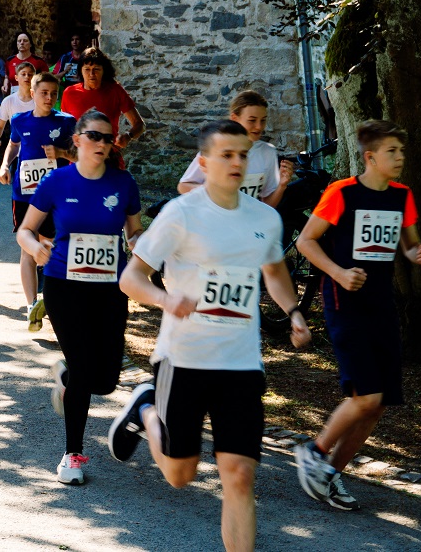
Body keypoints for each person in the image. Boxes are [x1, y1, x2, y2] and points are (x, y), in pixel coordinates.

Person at [106, 120, 311, 552]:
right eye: (226, 154)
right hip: (184, 358)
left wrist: (292, 311)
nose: (237, 162)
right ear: (203, 162)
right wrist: (165, 299)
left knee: (238, 475)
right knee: (180, 475)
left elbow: (273, 272)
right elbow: (132, 277)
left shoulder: (265, 219)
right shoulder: (181, 214)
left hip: (239, 364)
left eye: (242, 154)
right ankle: (145, 408)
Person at [292, 120, 421, 512]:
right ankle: (314, 452)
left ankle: (330, 474)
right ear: (370, 157)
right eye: (392, 151)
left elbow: (408, 246)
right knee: (365, 395)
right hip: (344, 302)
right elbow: (306, 241)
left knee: (380, 402)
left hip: (381, 304)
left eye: (402, 151)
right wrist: (338, 272)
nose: (400, 158)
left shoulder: (402, 196)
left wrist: (418, 254)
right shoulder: (341, 193)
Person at [16, 109, 144, 485]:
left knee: (105, 381)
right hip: (64, 286)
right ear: (77, 138)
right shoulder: (57, 181)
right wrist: (35, 247)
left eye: (109, 137)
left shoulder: (124, 183)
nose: (103, 143)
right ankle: (72, 455)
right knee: (88, 371)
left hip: (109, 288)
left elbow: (133, 233)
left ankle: (67, 377)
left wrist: (143, 245)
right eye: (95, 136)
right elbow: (26, 229)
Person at [0, 71, 75, 330]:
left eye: (54, 93)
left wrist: (62, 152)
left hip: (57, 195)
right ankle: (32, 305)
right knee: (27, 247)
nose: (49, 97)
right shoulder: (19, 120)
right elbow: (13, 145)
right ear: (32, 94)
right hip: (24, 193)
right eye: (44, 93)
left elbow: (80, 155)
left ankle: (54, 299)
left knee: (52, 245)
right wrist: (5, 165)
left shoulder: (67, 121)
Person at [177, 90, 294, 207]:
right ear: (234, 118)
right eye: (252, 120)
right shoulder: (218, 147)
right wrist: (216, 191)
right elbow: (183, 186)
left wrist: (281, 186)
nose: (259, 126)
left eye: (263, 120)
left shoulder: (268, 152)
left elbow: (267, 205)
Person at [60, 47, 146, 156]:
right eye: (87, 69)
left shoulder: (115, 90)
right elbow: (65, 128)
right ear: (80, 70)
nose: (91, 74)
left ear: (103, 70)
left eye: (96, 69)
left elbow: (139, 124)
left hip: (109, 157)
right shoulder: (69, 93)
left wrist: (128, 136)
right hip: (80, 160)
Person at [0, 61, 38, 151]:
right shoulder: (8, 101)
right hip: (16, 150)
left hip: (37, 148)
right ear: (16, 77)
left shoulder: (40, 100)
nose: (27, 77)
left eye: (30, 74)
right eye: (23, 74)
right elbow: (0, 126)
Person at [2, 31, 48, 96]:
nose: (22, 43)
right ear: (16, 44)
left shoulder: (38, 61)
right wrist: (5, 86)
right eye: (19, 41)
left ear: (30, 44)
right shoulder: (10, 61)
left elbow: (46, 80)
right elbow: (6, 77)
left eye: (25, 41)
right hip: (14, 97)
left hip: (33, 97)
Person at [52, 33, 84, 106]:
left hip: (83, 92)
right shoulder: (65, 57)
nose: (74, 42)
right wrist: (65, 71)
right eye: (72, 40)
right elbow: (54, 77)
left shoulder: (86, 57)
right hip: (68, 93)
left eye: (77, 39)